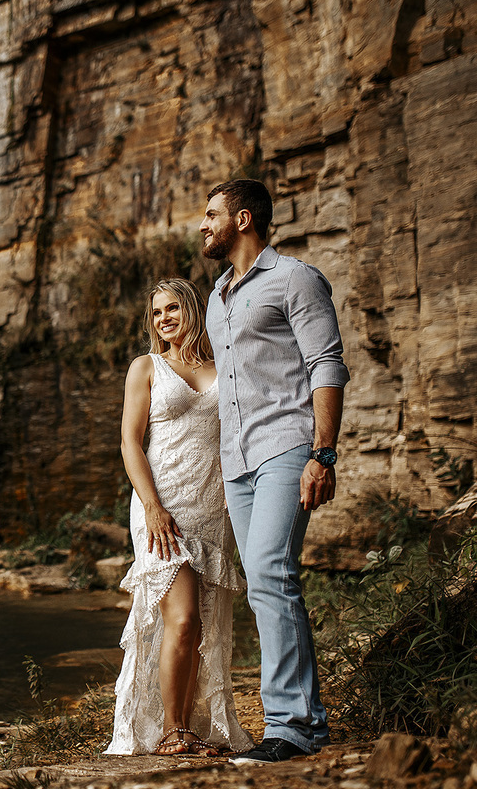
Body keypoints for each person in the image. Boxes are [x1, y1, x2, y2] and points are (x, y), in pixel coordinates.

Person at [199, 179, 349, 765]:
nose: (203, 224)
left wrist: (322, 453)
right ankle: (301, 720)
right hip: (236, 460)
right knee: (265, 584)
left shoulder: (295, 279)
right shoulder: (216, 297)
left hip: (286, 445)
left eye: (212, 214)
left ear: (242, 219)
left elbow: (326, 364)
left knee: (269, 572)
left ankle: (293, 727)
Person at [106, 278, 253, 757]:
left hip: (210, 506)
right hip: (160, 505)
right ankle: (171, 730)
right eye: (156, 312)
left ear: (192, 309)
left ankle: (186, 728)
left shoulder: (223, 365)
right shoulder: (146, 367)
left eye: (172, 308)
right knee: (184, 618)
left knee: (200, 627)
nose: (163, 318)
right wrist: (151, 506)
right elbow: (130, 442)